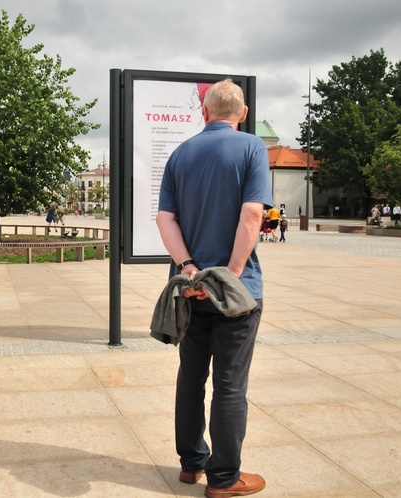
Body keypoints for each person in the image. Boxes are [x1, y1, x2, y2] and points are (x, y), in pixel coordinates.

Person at [156, 78, 269, 497]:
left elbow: (165, 219)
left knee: (190, 377)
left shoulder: (181, 153)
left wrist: (189, 269)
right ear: (241, 114)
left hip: (188, 289)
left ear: (203, 113)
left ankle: (191, 465)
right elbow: (253, 214)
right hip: (238, 291)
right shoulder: (252, 147)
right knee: (230, 384)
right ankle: (224, 479)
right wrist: (231, 275)